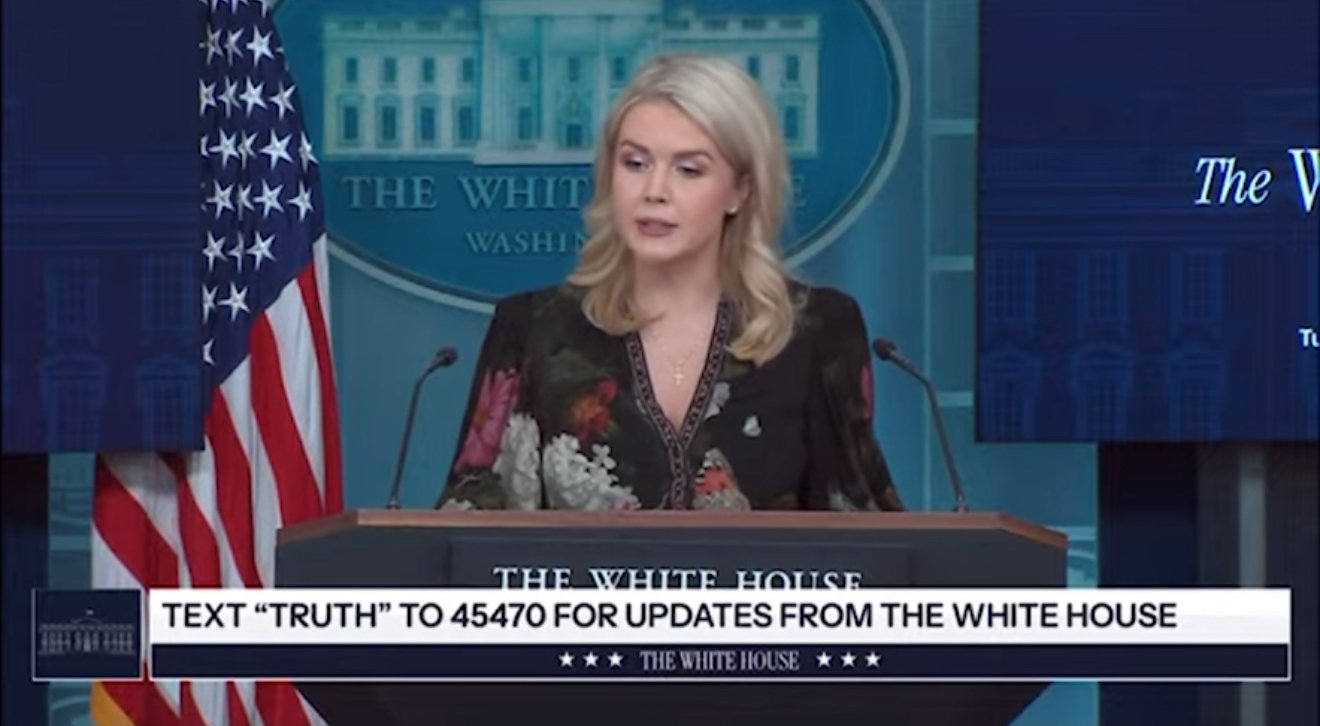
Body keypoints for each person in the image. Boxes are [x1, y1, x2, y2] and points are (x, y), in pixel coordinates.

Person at [435, 54, 904, 512]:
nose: (654, 190)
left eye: (688, 169)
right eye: (635, 163)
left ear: (740, 189)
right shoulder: (532, 329)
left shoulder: (818, 329)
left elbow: (859, 529)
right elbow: (472, 522)